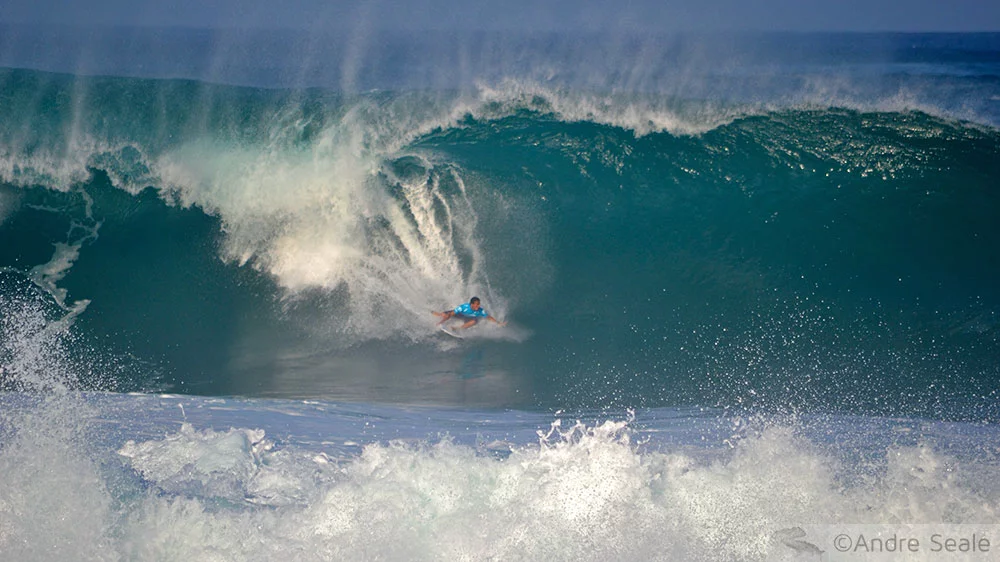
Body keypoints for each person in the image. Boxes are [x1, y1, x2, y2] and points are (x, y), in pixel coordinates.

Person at [433, 297, 506, 329]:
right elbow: (452, 313)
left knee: (474, 321)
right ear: (471, 304)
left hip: (469, 319)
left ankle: (458, 329)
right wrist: (441, 322)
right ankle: (436, 315)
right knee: (445, 315)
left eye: (479, 304)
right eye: (476, 304)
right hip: (460, 315)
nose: (478, 306)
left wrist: (498, 323)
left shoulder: (480, 310)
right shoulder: (463, 307)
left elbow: (489, 317)